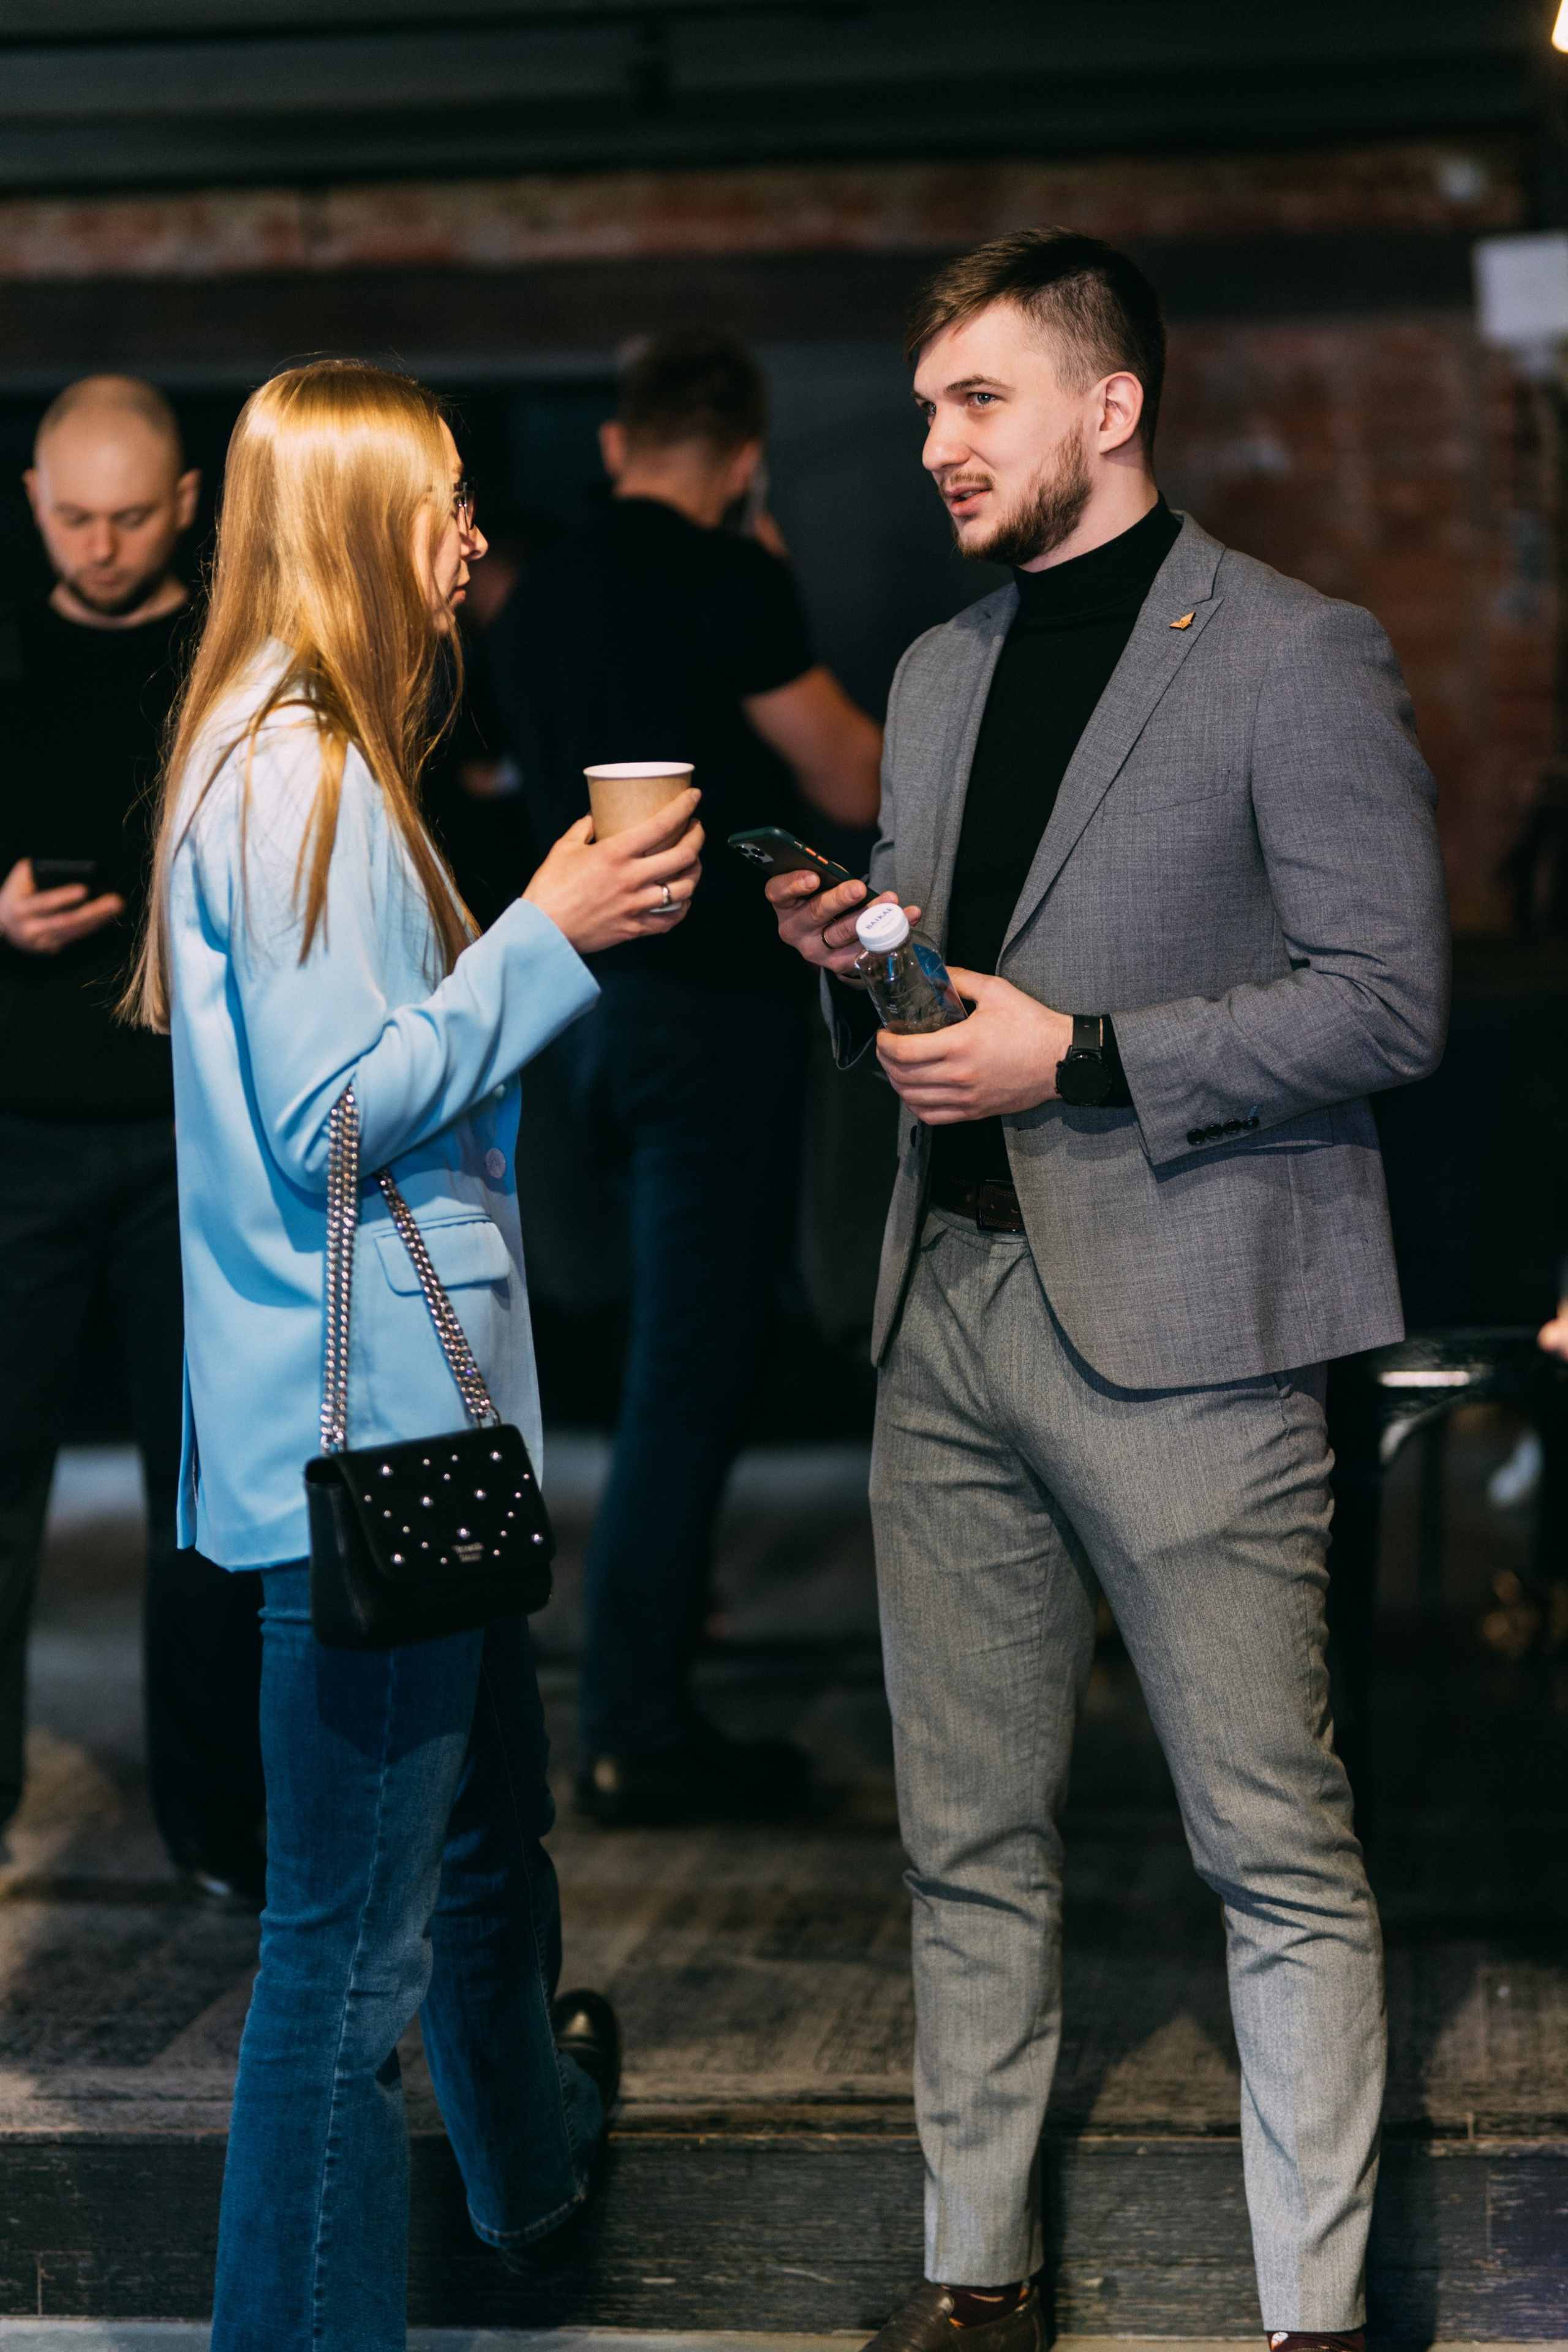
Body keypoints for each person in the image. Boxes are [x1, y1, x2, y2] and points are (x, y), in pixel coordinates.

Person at [767, 231, 1449, 2352]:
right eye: (927, 407)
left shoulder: (1296, 653)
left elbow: (1389, 1003)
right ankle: (979, 2282)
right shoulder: (943, 668)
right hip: (947, 1311)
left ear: (1111, 404)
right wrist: (859, 968)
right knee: (966, 1843)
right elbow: (946, 985)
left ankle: (1313, 2319)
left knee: (1274, 1846)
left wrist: (1075, 1053)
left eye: (978, 399)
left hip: (1199, 1336)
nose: (935, 443)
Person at [126, 358, 704, 2350]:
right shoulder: (299, 769)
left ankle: (528, 2163)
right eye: (444, 497)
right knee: (339, 1971)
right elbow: (335, 1119)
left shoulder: (278, 746)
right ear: (365, 523)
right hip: (366, 1441)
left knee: (456, 1851)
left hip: (364, 1426)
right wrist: (552, 930)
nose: (473, 532)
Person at [491, 331, 883, 1826]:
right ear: (744, 457)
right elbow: (848, 777)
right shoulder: (729, 577)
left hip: (566, 1007)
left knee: (629, 1351)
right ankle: (636, 1723)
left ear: (616, 444)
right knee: (690, 1368)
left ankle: (639, 1666)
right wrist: (768, 569)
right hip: (702, 1018)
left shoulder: (539, 590)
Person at [0, 374, 267, 1898]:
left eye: (128, 518)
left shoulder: (234, 660)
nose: (99, 547)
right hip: (15, 1129)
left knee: (207, 1494)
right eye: (73, 518)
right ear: (34, 500)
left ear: (185, 506)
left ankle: (216, 1823)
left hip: (191, 1133)